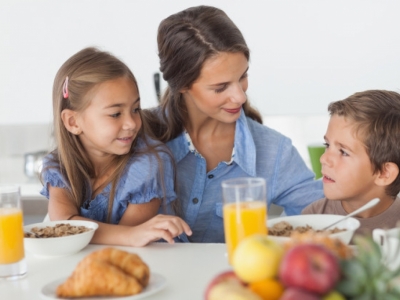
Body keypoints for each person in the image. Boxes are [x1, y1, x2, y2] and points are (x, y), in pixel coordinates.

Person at [143, 5, 324, 243]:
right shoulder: (136, 137)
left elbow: (324, 220)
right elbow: (83, 218)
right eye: (220, 87)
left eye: (243, 77)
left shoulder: (274, 151)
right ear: (183, 85)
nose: (240, 96)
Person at [40, 47, 191, 246]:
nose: (132, 123)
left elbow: (125, 243)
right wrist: (131, 235)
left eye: (135, 109)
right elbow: (64, 226)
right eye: (115, 114)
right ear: (73, 122)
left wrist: (131, 235)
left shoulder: (149, 165)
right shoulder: (58, 167)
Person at [302, 90, 400, 235]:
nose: (324, 159)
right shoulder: (312, 219)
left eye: (343, 152)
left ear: (384, 173)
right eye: (327, 145)